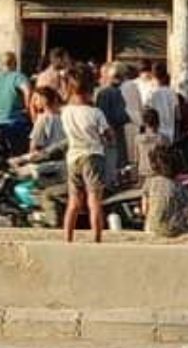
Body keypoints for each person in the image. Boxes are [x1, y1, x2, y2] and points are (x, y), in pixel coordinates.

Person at [61, 65, 112, 245]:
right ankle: (96, 238)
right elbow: (109, 136)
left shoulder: (65, 112)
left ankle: (68, 238)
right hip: (93, 155)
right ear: (90, 90)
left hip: (73, 156)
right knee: (94, 199)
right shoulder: (96, 113)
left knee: (73, 201)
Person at [0, 51, 33, 159]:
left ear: (1, 64)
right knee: (17, 159)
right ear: (15, 63)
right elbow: (27, 90)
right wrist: (27, 107)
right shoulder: (18, 77)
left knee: (0, 160)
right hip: (16, 123)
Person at [93, 63, 130, 185]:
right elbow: (119, 115)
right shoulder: (113, 93)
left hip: (106, 130)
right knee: (114, 158)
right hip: (113, 130)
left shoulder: (102, 93)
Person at [142, 143, 186, 238]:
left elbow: (144, 210)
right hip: (175, 228)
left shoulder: (149, 182)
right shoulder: (178, 186)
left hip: (153, 227)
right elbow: (184, 206)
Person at [146, 62, 179, 144]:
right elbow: (178, 115)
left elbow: (148, 113)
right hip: (170, 131)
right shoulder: (172, 93)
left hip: (154, 131)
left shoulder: (151, 93)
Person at [29, 86, 66, 156]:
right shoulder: (64, 116)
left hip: (49, 158)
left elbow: (33, 146)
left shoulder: (42, 119)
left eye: (36, 99)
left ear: (44, 99)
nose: (33, 103)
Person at [133, 108, 168, 180]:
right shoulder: (162, 138)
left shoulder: (137, 139)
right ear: (158, 121)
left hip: (143, 173)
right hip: (158, 173)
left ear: (144, 122)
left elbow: (136, 160)